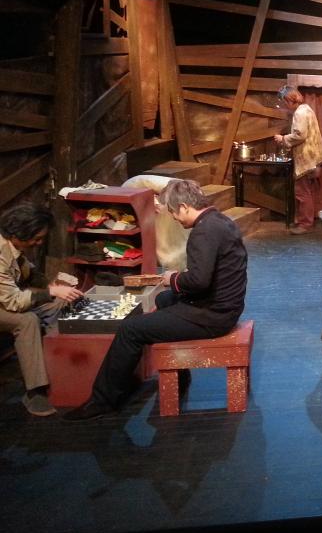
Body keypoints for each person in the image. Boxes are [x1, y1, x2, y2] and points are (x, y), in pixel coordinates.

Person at [64, 180, 248, 420]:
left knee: (131, 329)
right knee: (163, 300)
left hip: (213, 315)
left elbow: (199, 281)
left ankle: (102, 400)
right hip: (225, 306)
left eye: (173, 212)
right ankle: (179, 374)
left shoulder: (203, 232)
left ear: (184, 207)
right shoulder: (220, 221)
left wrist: (172, 278)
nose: (174, 218)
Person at [0, 203, 83, 416]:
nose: (38, 243)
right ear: (17, 234)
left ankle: (58, 365)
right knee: (27, 321)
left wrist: (52, 286)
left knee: (60, 303)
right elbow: (13, 302)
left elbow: (29, 275)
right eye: (36, 238)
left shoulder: (15, 248)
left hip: (9, 300)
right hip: (7, 303)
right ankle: (35, 391)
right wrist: (50, 291)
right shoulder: (1, 253)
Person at [274, 85, 322, 235]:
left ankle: (305, 224)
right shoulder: (307, 109)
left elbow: (300, 135)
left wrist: (283, 139)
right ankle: (306, 221)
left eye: (284, 102)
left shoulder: (300, 113)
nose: (284, 105)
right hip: (313, 157)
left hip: (307, 158)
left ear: (289, 100)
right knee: (307, 192)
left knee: (302, 192)